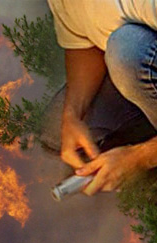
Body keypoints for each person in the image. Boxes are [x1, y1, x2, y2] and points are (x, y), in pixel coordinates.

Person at [47, 0, 157, 195]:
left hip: (133, 57)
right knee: (55, 128)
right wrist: (72, 115)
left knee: (125, 52)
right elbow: (82, 44)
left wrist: (139, 157)